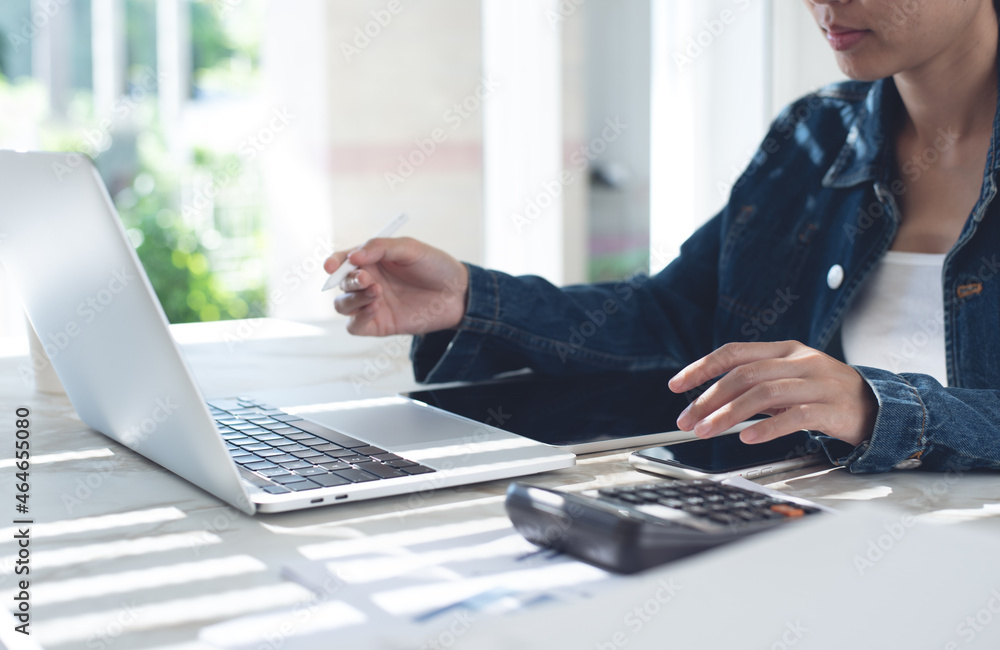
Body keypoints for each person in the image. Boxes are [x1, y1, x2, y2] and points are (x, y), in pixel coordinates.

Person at [324, 0, 1000, 473]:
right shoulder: (815, 136)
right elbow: (677, 318)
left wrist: (877, 406)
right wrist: (474, 300)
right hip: (804, 550)